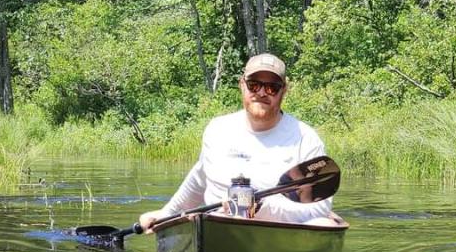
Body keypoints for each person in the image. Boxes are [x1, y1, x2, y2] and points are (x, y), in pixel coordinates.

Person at [138, 53, 338, 230]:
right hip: (216, 227)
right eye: (254, 85)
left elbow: (318, 209)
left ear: (284, 90)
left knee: (323, 223)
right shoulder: (217, 129)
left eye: (271, 87)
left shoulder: (306, 139)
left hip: (276, 232)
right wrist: (166, 213)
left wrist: (260, 208)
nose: (261, 92)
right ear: (242, 85)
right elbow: (199, 180)